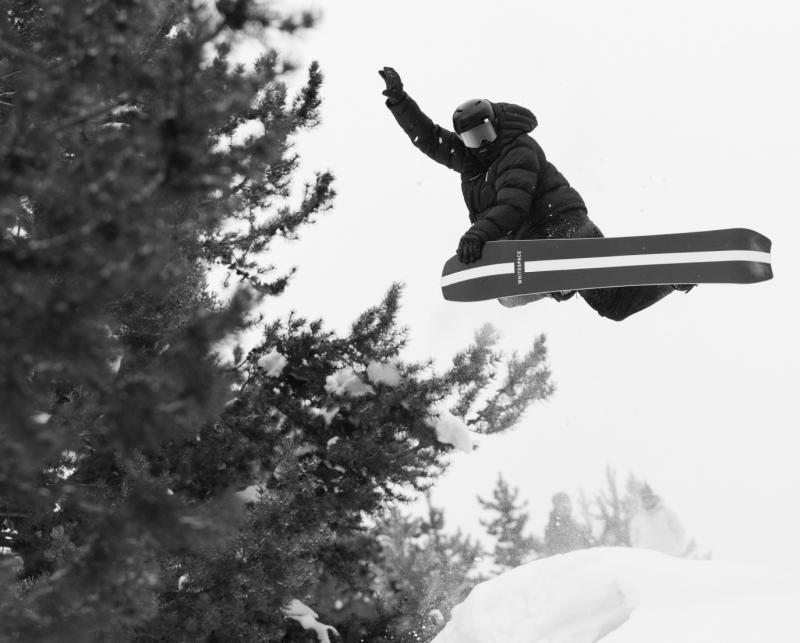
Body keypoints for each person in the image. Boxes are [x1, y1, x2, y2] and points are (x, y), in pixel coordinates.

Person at [379, 67, 694, 321]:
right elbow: (431, 140)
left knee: (514, 291)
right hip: (534, 239)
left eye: (486, 133)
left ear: (496, 125)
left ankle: (559, 278)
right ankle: (672, 276)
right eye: (474, 139)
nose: (484, 144)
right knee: (611, 306)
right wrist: (399, 101)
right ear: (465, 141)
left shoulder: (517, 149)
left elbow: (513, 204)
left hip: (560, 226)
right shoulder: (470, 161)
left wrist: (478, 233)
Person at [628, 484, 688, 557]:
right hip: (647, 558)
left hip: (669, 556)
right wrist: (640, 552)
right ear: (641, 500)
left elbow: (679, 532)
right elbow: (634, 540)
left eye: (649, 497)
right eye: (644, 498)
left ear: (654, 497)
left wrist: (678, 549)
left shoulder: (667, 513)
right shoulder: (637, 519)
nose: (647, 500)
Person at [543, 492, 591, 556]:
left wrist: (587, 517)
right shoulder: (552, 528)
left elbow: (587, 543)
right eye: (561, 503)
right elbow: (553, 553)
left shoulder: (576, 525)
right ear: (556, 507)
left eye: (567, 502)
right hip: (565, 564)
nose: (566, 506)